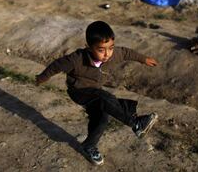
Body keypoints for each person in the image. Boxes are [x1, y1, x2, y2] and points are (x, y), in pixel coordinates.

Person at [35, 20, 158, 166]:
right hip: (79, 91)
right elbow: (57, 65)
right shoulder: (76, 59)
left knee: (102, 117)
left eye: (110, 48)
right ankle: (135, 123)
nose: (107, 54)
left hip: (96, 91)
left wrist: (143, 59)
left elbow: (126, 52)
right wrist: (42, 77)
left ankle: (89, 145)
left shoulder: (113, 54)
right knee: (105, 97)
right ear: (88, 48)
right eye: (101, 50)